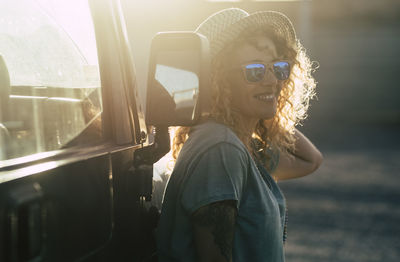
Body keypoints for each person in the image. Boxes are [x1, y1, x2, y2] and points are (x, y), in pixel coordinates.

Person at [156, 8, 323, 262]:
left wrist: (269, 119)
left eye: (278, 68)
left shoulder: (242, 146)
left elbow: (310, 160)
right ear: (218, 80)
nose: (272, 81)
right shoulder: (222, 148)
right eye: (254, 70)